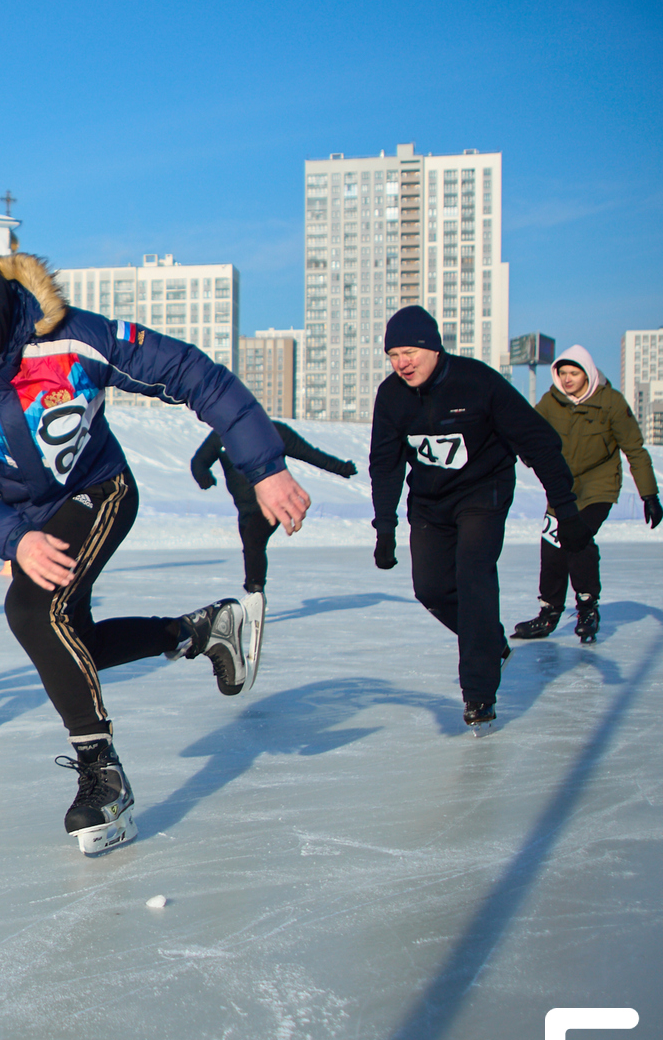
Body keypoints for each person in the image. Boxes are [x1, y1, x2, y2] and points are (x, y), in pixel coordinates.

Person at [0, 241, 308, 854]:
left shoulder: (72, 340)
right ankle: (199, 631)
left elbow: (194, 374)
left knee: (33, 612)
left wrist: (264, 464)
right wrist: (14, 537)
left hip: (99, 487)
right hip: (27, 520)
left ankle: (103, 775)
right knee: (71, 641)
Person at [371, 306, 578, 734]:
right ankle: (489, 640)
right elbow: (385, 464)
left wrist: (566, 507)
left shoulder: (477, 381)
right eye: (393, 355)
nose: (401, 363)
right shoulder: (391, 396)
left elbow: (539, 442)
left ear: (432, 347)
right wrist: (385, 528)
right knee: (429, 588)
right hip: (430, 502)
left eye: (408, 352)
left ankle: (479, 693)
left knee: (473, 575)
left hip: (483, 491)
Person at [511, 344, 660, 644]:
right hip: (562, 488)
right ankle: (549, 613)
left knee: (576, 537)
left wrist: (649, 495)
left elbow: (635, 449)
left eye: (573, 373)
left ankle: (587, 607)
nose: (567, 379)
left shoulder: (611, 403)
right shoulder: (551, 402)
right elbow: (527, 431)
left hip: (599, 485)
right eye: (562, 373)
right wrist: (526, 453)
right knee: (551, 544)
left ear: (587, 373)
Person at [193, 420, 358, 594]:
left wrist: (341, 468)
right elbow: (199, 461)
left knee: (253, 540)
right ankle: (253, 593)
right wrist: (203, 476)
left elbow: (310, 454)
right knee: (250, 547)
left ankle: (255, 590)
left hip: (274, 505)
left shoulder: (274, 432)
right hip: (244, 508)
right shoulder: (223, 434)